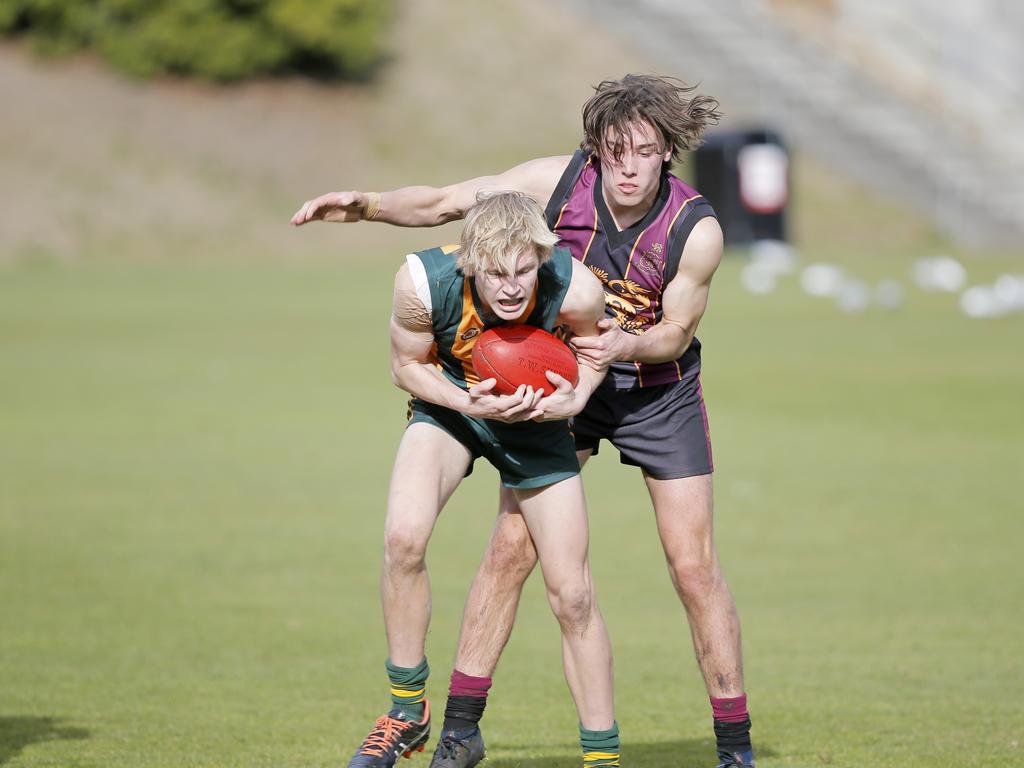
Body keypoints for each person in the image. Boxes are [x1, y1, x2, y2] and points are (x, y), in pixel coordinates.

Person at [293, 74, 756, 768]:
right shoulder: (558, 181)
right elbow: (450, 201)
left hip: (655, 389)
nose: (628, 167)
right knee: (512, 548)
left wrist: (629, 342)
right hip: (557, 375)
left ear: (668, 153)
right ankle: (457, 731)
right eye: (614, 150)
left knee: (693, 567)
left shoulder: (696, 230)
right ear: (596, 149)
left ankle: (734, 749)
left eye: (645, 152)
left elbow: (679, 330)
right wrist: (366, 205)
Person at [348, 191, 620, 768]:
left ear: (541, 259)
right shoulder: (422, 282)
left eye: (524, 268)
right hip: (453, 405)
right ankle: (406, 711)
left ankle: (602, 759)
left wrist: (578, 394)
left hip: (540, 421)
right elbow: (406, 366)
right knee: (403, 538)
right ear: (469, 261)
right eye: (495, 272)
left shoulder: (575, 287)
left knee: (572, 594)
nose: (512, 286)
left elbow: (597, 352)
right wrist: (473, 405)